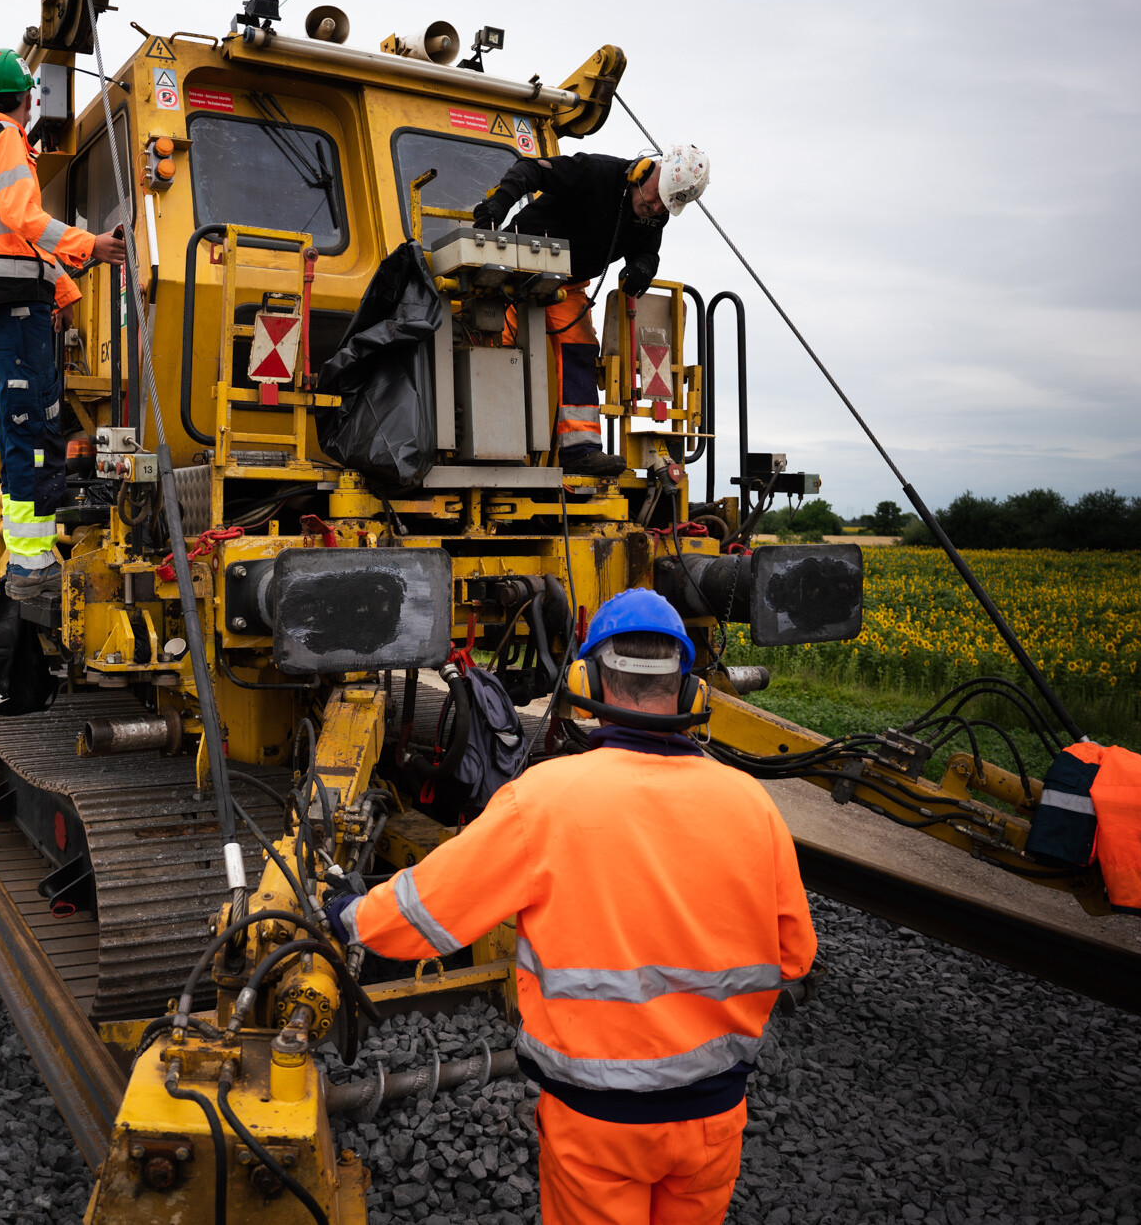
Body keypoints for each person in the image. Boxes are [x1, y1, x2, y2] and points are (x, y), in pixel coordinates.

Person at [327, 589, 815, 1225]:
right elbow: (795, 956)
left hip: (598, 1125)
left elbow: (426, 913)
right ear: (689, 691)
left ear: (586, 683)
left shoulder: (545, 801)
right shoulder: (751, 804)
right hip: (713, 1120)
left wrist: (349, 913)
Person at [0, 48, 126, 604]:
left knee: (26, 426)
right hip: (13, 305)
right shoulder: (5, 138)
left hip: (7, 302)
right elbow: (24, 219)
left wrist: (64, 290)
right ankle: (31, 567)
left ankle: (31, 559)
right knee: (31, 428)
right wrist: (92, 244)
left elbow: (15, 243)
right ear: (27, 97)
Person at [474, 147, 711, 477]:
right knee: (498, 350)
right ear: (648, 171)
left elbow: (647, 251)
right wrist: (499, 204)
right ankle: (495, 444)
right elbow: (531, 169)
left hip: (566, 285)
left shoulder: (655, 214)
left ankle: (580, 450)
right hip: (515, 271)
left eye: (667, 205)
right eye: (659, 197)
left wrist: (643, 267)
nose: (657, 208)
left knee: (580, 349)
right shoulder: (595, 172)